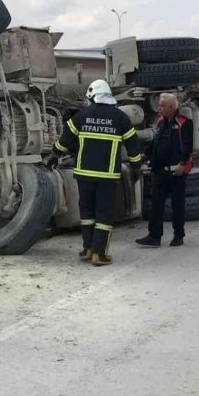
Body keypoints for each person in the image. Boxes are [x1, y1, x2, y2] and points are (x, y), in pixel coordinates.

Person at [47, 79, 143, 266]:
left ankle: (88, 249)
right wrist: (136, 167)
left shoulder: (82, 116)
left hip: (84, 175)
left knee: (87, 212)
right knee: (104, 214)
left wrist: (54, 155)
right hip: (107, 176)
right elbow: (133, 146)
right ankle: (99, 254)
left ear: (92, 97)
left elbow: (65, 139)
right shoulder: (120, 118)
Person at [136, 93, 193, 248]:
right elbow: (155, 143)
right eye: (159, 105)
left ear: (172, 107)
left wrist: (182, 163)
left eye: (162, 106)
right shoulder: (160, 122)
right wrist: (145, 155)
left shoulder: (184, 123)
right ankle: (154, 236)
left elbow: (187, 146)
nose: (159, 108)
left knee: (177, 205)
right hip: (159, 171)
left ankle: (178, 235)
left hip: (176, 172)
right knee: (156, 204)